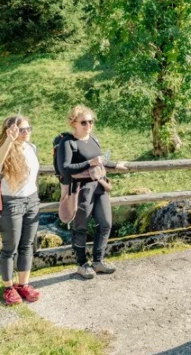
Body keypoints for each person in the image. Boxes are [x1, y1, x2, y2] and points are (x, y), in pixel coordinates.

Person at [0, 115, 42, 306]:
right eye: (21, 129)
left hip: (32, 200)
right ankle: (8, 288)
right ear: (10, 131)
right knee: (10, 247)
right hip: (12, 202)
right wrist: (9, 141)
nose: (26, 132)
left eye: (29, 128)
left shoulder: (32, 148)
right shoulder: (5, 150)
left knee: (27, 245)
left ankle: (23, 285)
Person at [58, 105, 116, 279]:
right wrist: (89, 163)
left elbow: (100, 161)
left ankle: (98, 261)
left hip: (99, 186)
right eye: (84, 122)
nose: (88, 125)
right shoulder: (67, 143)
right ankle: (82, 264)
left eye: (91, 121)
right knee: (81, 227)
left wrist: (114, 164)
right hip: (81, 189)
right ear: (73, 123)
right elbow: (65, 168)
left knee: (105, 224)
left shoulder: (94, 139)